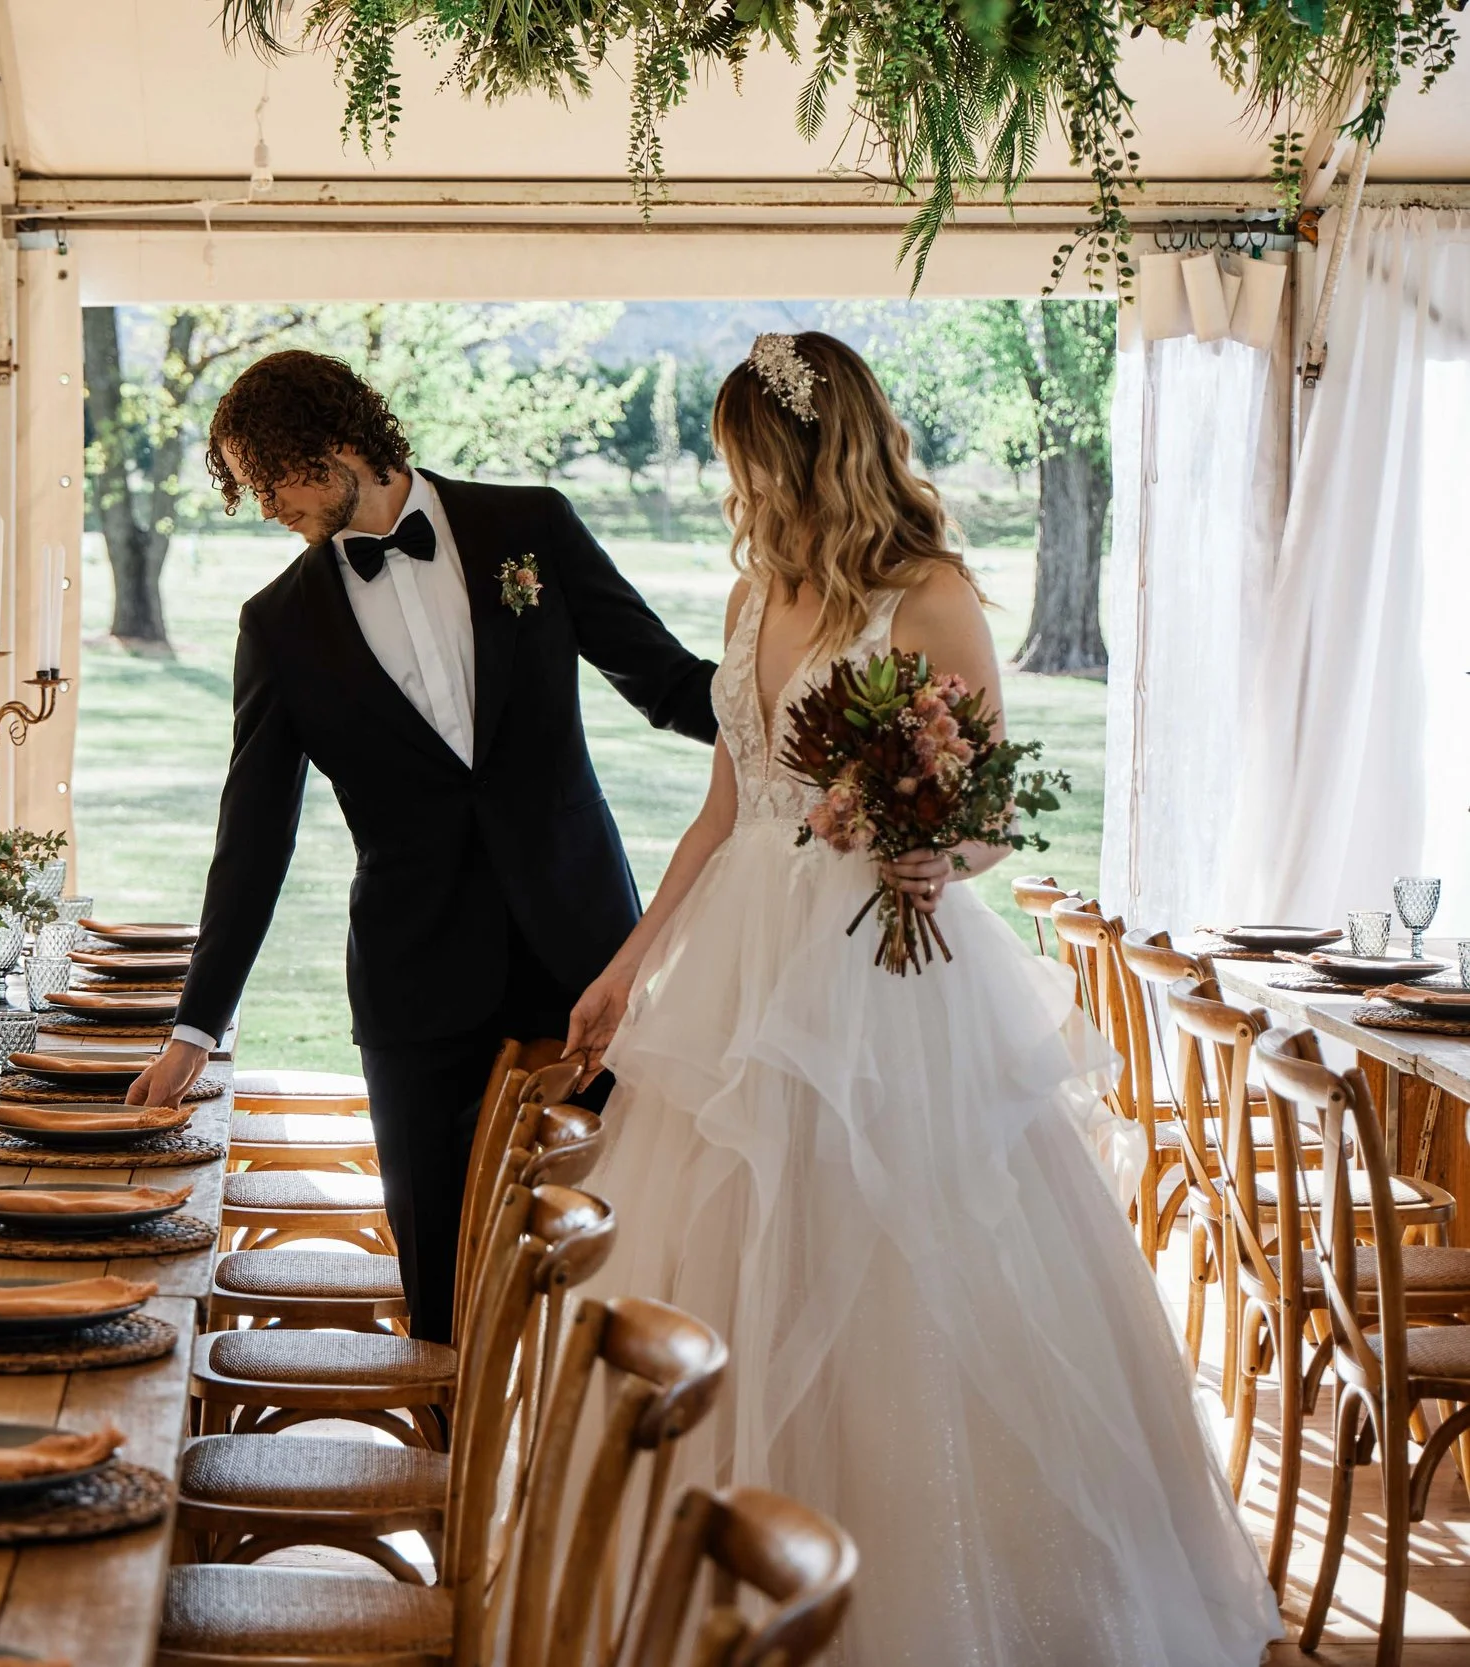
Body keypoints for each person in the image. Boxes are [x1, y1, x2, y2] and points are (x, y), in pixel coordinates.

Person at [563, 331, 1278, 1664]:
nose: (736, 486)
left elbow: (992, 809)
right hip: (738, 970)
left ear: (805, 451)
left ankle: (922, 1594)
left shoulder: (931, 593)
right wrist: (626, 963)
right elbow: (725, 808)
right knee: (727, 1238)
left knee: (894, 1258)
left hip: (880, 971)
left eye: (746, 457)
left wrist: (920, 846)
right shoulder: (750, 596)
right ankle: (701, 1585)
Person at [124, 349, 718, 1343]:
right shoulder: (277, 624)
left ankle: (579, 1488)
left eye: (273, 478)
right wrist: (196, 1025)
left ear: (340, 443)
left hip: (584, 966)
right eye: (248, 487)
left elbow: (662, 681)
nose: (265, 504)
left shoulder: (529, 526)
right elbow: (253, 831)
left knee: (618, 1256)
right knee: (440, 1292)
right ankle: (449, 1487)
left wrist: (802, 719)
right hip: (415, 989)